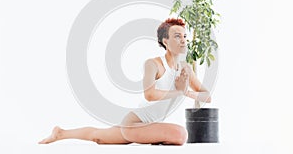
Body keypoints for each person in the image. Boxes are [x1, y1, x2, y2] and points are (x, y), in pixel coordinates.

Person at [39, 18, 211, 145]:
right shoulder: (154, 64)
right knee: (181, 134)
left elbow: (206, 96)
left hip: (149, 126)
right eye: (177, 36)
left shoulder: (185, 68)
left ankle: (60, 133)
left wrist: (187, 91)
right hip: (134, 123)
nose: (183, 40)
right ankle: (155, 136)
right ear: (165, 41)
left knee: (98, 136)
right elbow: (149, 94)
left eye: (184, 36)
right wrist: (179, 92)